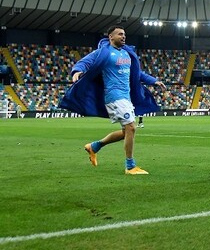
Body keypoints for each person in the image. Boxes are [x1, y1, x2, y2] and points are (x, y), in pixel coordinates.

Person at [59, 26, 166, 175]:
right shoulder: (104, 52)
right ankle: (130, 166)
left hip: (126, 96)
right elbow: (84, 62)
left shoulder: (127, 53)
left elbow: (137, 73)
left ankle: (94, 146)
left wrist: (153, 81)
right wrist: (77, 71)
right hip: (114, 95)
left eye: (124, 34)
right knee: (131, 127)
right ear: (111, 37)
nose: (123, 36)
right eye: (120, 34)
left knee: (125, 132)